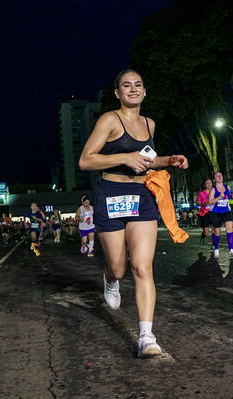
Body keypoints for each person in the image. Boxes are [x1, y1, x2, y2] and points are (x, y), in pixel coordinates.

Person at [78, 69, 188, 358]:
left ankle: (146, 336)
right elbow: (86, 160)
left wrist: (170, 160)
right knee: (119, 267)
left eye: (138, 84)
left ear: (145, 91)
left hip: (141, 197)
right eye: (126, 85)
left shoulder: (149, 123)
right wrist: (124, 157)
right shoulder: (109, 120)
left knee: (142, 266)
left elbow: (149, 161)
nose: (133, 89)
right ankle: (110, 279)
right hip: (111, 195)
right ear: (118, 93)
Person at [208, 171, 233, 259]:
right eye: (217, 176)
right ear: (214, 179)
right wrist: (218, 197)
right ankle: (216, 249)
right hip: (216, 213)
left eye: (220, 175)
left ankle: (231, 250)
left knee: (230, 228)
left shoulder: (227, 187)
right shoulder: (213, 189)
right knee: (217, 232)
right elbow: (210, 202)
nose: (219, 176)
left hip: (226, 211)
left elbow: (228, 199)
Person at [196, 179, 213, 245]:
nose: (209, 184)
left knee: (214, 230)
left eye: (210, 183)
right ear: (204, 185)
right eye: (207, 183)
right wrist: (203, 204)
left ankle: (214, 244)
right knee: (206, 233)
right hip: (205, 213)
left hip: (213, 212)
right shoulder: (201, 193)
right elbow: (197, 203)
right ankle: (203, 236)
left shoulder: (214, 192)